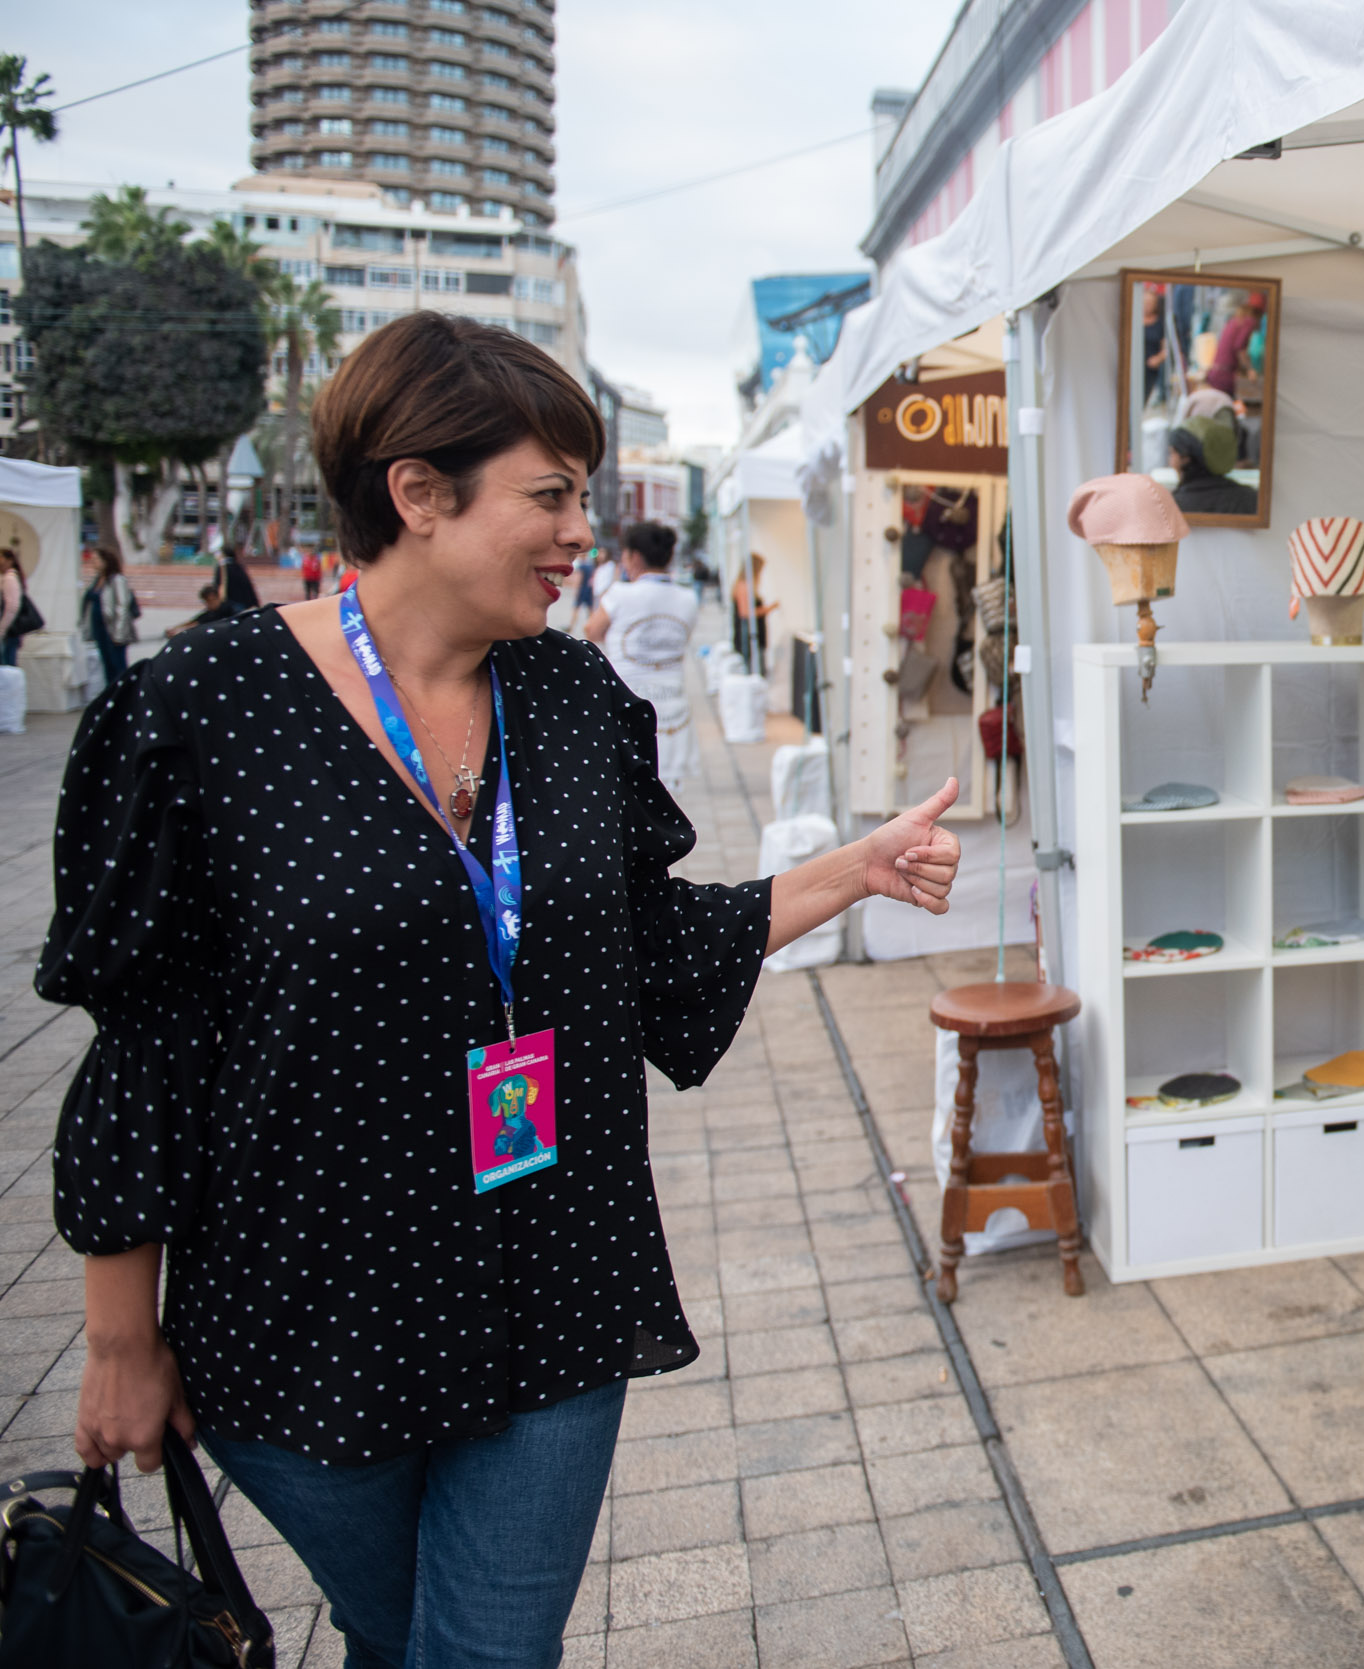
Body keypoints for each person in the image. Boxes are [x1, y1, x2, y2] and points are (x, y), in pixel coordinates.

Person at [44, 311, 963, 1669]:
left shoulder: (574, 697)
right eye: (550, 495)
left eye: (581, 497)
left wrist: (855, 871)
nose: (580, 530)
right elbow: (145, 1049)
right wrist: (122, 1336)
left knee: (482, 1653)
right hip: (309, 1315)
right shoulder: (204, 710)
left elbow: (653, 946)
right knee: (392, 1631)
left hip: (557, 1280)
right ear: (418, 493)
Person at [586, 520, 700, 789]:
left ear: (634, 556)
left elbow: (592, 629)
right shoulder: (688, 598)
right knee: (666, 789)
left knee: (627, 782)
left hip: (629, 697)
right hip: (673, 702)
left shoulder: (620, 594)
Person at [1167, 414, 1257, 516]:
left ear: (1185, 458)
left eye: (1172, 453)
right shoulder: (1251, 498)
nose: (1170, 462)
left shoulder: (1173, 505)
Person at [80, 545, 140, 689]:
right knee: (107, 664)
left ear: (105, 561)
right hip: (99, 627)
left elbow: (122, 605)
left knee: (117, 664)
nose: (93, 562)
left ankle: (123, 693)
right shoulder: (98, 580)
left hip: (112, 629)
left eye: (96, 559)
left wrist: (119, 632)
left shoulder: (117, 580)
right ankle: (111, 692)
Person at [730, 551, 776, 669]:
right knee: (754, 668)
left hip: (753, 634)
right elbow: (745, 613)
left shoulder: (745, 585)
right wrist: (768, 609)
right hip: (749, 636)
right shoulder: (744, 586)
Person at [0, 548, 26, 668]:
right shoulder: (9, 577)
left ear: (9, 560)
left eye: (1, 558)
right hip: (10, 632)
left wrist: (2, 629)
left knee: (7, 668)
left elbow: (12, 606)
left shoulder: (10, 578)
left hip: (9, 632)